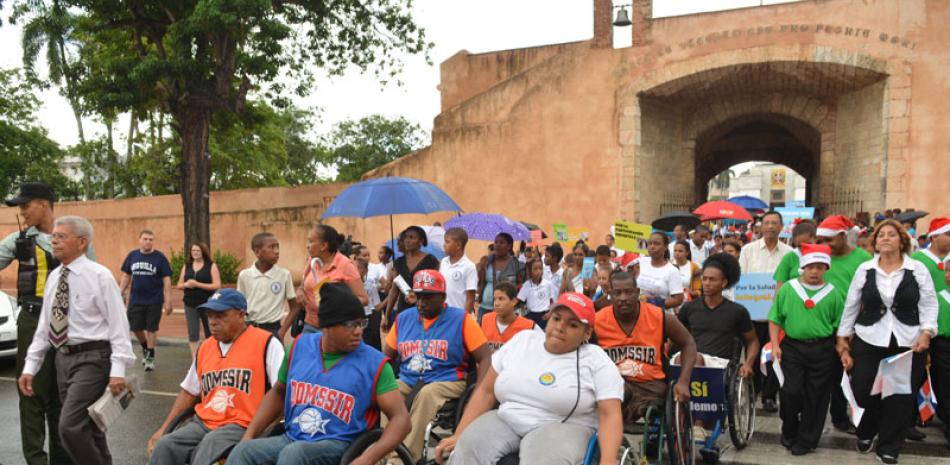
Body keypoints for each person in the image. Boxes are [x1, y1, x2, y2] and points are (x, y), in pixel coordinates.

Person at [227, 283, 411, 465]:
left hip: (344, 445)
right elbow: (278, 392)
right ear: (327, 326)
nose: (359, 331)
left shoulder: (374, 363)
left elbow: (401, 419)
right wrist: (249, 436)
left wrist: (367, 458)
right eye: (350, 324)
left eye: (361, 323)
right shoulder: (299, 347)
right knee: (243, 451)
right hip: (292, 437)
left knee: (295, 454)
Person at [434, 293, 624, 465]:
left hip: (564, 426)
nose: (560, 327)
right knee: (469, 446)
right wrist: (459, 433)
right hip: (508, 418)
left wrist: (608, 460)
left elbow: (610, 414)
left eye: (573, 324)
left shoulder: (596, 360)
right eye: (556, 319)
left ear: (587, 334)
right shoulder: (523, 341)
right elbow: (486, 391)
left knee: (541, 458)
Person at [18, 216, 136, 465]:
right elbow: (44, 329)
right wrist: (31, 367)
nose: (54, 241)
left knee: (70, 427)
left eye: (61, 236)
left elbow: (119, 326)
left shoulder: (100, 276)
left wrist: (118, 371)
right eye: (54, 236)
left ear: (82, 242)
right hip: (63, 360)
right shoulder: (54, 278)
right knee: (91, 426)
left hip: (93, 359)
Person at [837, 219, 938, 465]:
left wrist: (927, 332)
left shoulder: (917, 270)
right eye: (881, 234)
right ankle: (867, 430)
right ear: (875, 241)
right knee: (863, 388)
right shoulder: (865, 270)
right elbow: (851, 304)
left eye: (891, 234)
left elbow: (928, 303)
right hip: (869, 337)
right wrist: (842, 338)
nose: (885, 238)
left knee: (899, 395)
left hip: (908, 340)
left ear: (902, 241)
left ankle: (890, 445)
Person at [147, 289, 282, 465]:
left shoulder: (266, 343)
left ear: (241, 315)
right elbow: (188, 392)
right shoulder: (205, 347)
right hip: (204, 422)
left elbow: (282, 392)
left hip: (243, 424)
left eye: (220, 315)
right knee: (165, 445)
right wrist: (163, 430)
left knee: (208, 448)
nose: (212, 322)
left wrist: (261, 433)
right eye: (209, 316)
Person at [0, 182, 76, 465]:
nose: (21, 211)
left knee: (62, 396)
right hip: (32, 320)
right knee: (30, 392)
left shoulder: (74, 237)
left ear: (43, 204)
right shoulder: (19, 240)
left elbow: (91, 279)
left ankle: (62, 459)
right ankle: (36, 461)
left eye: (25, 204)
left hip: (67, 322)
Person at [383, 270, 492, 462]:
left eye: (428, 297)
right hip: (410, 378)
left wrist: (480, 391)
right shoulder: (404, 318)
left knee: (427, 394)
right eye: (418, 296)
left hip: (448, 379)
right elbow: (385, 357)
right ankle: (383, 453)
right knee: (389, 391)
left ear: (442, 296)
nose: (421, 303)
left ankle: (402, 458)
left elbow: (484, 357)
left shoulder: (462, 319)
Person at [769, 244, 845, 456]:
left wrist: (841, 345)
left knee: (817, 395)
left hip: (822, 348)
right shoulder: (788, 289)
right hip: (792, 347)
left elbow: (840, 324)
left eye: (820, 267)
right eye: (811, 266)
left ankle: (807, 438)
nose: (814, 271)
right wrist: (775, 345)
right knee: (790, 391)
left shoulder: (833, 293)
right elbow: (775, 318)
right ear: (803, 267)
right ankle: (789, 427)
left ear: (826, 269)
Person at [596, 271, 696, 425]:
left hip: (650, 386)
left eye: (628, 292)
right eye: (617, 293)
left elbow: (688, 343)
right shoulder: (597, 321)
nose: (623, 298)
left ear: (637, 293)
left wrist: (683, 382)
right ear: (610, 294)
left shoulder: (660, 317)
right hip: (614, 386)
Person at [815, 215, 874, 434]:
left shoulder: (863, 259)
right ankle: (833, 417)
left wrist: (852, 327)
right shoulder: (820, 256)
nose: (824, 245)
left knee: (850, 375)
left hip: (853, 328)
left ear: (842, 236)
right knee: (828, 375)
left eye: (828, 240)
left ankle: (853, 416)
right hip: (823, 326)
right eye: (820, 240)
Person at [739, 210, 792, 413]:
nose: (770, 227)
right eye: (766, 223)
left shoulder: (789, 253)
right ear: (760, 226)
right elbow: (741, 279)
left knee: (774, 354)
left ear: (781, 227)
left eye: (774, 223)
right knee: (752, 351)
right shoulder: (748, 250)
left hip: (778, 315)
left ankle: (769, 395)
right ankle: (753, 390)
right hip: (752, 312)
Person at [678, 253, 759, 373]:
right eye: (704, 279)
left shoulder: (737, 311)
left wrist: (748, 364)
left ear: (724, 282)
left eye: (712, 279)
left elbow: (753, 341)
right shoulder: (689, 307)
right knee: (683, 359)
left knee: (694, 359)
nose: (706, 283)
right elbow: (674, 337)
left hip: (720, 364)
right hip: (690, 357)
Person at [911, 217, 950, 444]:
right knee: (920, 376)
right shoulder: (918, 259)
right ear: (935, 236)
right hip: (926, 323)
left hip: (942, 321)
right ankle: (916, 415)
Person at [119, 229, 173, 371]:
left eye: (151, 239)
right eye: (145, 239)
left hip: (154, 300)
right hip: (136, 299)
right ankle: (145, 348)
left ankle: (150, 357)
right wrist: (120, 292)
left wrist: (168, 300)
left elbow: (167, 280)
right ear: (140, 240)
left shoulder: (159, 258)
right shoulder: (132, 255)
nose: (148, 241)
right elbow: (126, 276)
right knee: (135, 328)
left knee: (151, 329)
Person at [300, 224, 368, 334]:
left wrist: (336, 302)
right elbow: (303, 284)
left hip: (335, 329)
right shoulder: (312, 261)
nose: (308, 246)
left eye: (311, 242)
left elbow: (364, 300)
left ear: (323, 246)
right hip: (310, 325)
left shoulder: (345, 265)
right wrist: (300, 291)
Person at [237, 232, 298, 341]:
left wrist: (281, 332)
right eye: (272, 247)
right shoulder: (245, 275)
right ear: (257, 252)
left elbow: (295, 307)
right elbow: (239, 305)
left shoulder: (284, 275)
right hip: (249, 328)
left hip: (273, 329)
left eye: (277, 247)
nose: (277, 251)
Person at [384, 226, 440, 327]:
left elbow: (434, 287)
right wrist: (387, 316)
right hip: (403, 310)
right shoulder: (399, 262)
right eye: (406, 237)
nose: (407, 241)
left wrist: (417, 297)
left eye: (411, 237)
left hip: (424, 309)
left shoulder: (431, 260)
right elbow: (394, 290)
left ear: (421, 241)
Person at [178, 242, 221, 357]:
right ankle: (195, 360)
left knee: (210, 332)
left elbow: (217, 285)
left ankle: (213, 356)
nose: (195, 253)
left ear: (203, 252)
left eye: (198, 251)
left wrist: (197, 284)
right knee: (193, 333)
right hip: (190, 303)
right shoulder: (187, 266)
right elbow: (179, 285)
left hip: (207, 304)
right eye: (193, 251)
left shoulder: (211, 265)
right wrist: (187, 285)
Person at [476, 232, 522, 323]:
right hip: (485, 308)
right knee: (482, 334)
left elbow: (521, 285)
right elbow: (481, 283)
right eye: (496, 242)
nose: (497, 245)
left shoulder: (517, 265)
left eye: (501, 242)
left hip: (505, 310)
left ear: (509, 246)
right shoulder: (488, 261)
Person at [481, 282, 538, 351]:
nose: (496, 303)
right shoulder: (486, 319)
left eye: (501, 299)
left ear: (513, 301)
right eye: (495, 299)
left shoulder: (528, 326)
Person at [637, 232, 685, 310]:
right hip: (639, 313)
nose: (652, 247)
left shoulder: (672, 271)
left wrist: (654, 303)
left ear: (666, 246)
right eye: (650, 243)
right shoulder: (641, 262)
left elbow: (678, 300)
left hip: (659, 315)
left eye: (657, 244)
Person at [353, 245, 385, 350]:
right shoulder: (348, 285)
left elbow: (377, 306)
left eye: (359, 268)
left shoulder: (370, 285)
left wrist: (391, 295)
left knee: (371, 344)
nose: (356, 271)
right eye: (364, 255)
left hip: (370, 319)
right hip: (355, 319)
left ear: (366, 270)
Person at [440, 227, 478, 314]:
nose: (444, 245)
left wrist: (464, 317)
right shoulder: (443, 262)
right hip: (442, 313)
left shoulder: (469, 266)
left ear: (458, 245)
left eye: (447, 242)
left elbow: (470, 298)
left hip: (458, 314)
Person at [773, 219, 818, 290]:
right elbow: (779, 288)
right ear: (794, 242)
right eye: (800, 246)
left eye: (808, 244)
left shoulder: (822, 256)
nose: (804, 248)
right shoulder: (789, 258)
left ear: (816, 239)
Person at [517, 258, 558, 328]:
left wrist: (550, 313)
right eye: (535, 269)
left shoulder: (548, 284)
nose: (538, 271)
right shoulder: (526, 285)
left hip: (544, 315)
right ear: (530, 271)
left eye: (540, 268)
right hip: (531, 315)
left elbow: (554, 301)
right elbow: (520, 300)